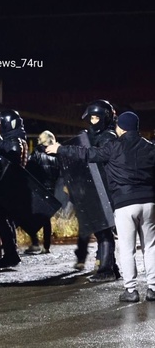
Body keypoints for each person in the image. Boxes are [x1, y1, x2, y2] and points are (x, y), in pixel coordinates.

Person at [46, 111, 155, 302]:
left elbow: (87, 154)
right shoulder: (150, 147)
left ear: (120, 128)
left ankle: (131, 290)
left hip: (124, 204)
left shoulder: (113, 146)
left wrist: (60, 149)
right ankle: (153, 288)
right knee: (151, 247)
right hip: (149, 202)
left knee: (127, 248)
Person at [72, 100, 120, 282]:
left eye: (95, 117)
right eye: (90, 117)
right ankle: (110, 267)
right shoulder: (96, 135)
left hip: (105, 188)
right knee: (101, 228)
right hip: (97, 188)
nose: (92, 121)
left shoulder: (108, 136)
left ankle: (106, 270)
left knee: (103, 230)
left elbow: (99, 160)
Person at [0, 109, 28, 268]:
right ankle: (11, 253)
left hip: (7, 189)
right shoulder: (16, 138)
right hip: (10, 188)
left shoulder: (12, 141)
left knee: (3, 221)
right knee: (6, 222)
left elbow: (8, 165)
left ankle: (11, 254)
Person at [24, 130, 60, 254]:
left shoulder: (38, 152)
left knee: (31, 215)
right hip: (51, 188)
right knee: (46, 218)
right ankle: (47, 246)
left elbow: (30, 168)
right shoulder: (56, 154)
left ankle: (35, 243)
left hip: (38, 187)